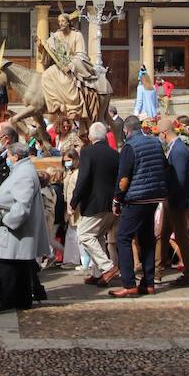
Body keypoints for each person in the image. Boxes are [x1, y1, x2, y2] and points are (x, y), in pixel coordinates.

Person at [108, 115, 168, 298]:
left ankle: (129, 283)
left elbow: (124, 177)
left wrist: (117, 200)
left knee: (123, 237)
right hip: (154, 197)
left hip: (136, 198)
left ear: (126, 130)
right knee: (147, 239)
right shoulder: (155, 142)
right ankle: (148, 282)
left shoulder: (129, 147)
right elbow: (164, 166)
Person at [0, 143, 50, 311]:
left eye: (8, 156)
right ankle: (21, 300)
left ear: (15, 156)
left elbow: (22, 204)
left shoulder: (24, 174)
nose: (7, 159)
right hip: (13, 233)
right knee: (18, 268)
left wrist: (8, 219)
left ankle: (6, 300)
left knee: (8, 268)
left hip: (13, 231)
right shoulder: (21, 170)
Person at [69, 121, 119, 286]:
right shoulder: (114, 153)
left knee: (84, 234)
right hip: (111, 202)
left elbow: (83, 179)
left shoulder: (88, 152)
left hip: (94, 202)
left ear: (91, 136)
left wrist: (73, 202)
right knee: (98, 237)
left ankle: (107, 267)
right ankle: (98, 273)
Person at [39, 9, 105, 125]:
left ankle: (73, 107)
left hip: (74, 66)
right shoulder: (56, 36)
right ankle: (55, 104)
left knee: (67, 82)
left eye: (63, 21)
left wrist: (70, 65)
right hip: (59, 66)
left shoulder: (77, 35)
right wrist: (41, 46)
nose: (60, 24)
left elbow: (81, 54)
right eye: (59, 21)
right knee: (46, 75)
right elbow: (47, 49)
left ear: (69, 22)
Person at [158, 116, 189, 287]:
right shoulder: (176, 148)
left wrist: (172, 198)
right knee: (163, 235)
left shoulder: (178, 150)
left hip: (177, 201)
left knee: (181, 237)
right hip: (172, 200)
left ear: (164, 133)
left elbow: (179, 179)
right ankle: (157, 270)